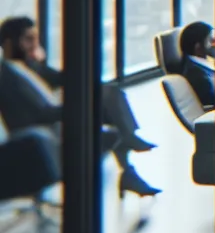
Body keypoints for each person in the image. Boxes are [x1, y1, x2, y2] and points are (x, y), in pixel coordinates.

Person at [0, 15, 159, 197]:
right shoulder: (8, 79)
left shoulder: (30, 67)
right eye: (29, 39)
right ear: (10, 43)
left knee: (109, 95)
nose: (34, 44)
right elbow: (38, 116)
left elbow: (64, 79)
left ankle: (129, 160)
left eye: (35, 39)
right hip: (42, 142)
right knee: (108, 110)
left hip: (56, 125)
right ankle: (129, 145)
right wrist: (79, 108)